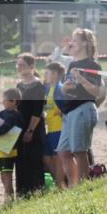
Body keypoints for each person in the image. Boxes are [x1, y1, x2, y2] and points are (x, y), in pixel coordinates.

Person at [57, 28, 102, 187]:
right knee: (63, 151)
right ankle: (74, 185)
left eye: (75, 40)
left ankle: (83, 186)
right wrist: (65, 88)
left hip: (83, 109)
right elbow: (66, 88)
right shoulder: (73, 64)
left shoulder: (93, 65)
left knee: (79, 150)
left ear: (84, 43)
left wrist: (81, 79)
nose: (72, 43)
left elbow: (95, 92)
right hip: (69, 111)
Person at [13, 53, 47, 197]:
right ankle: (22, 193)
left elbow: (37, 111)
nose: (19, 67)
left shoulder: (38, 85)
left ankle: (36, 192)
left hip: (33, 128)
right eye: (18, 64)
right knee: (21, 161)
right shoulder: (19, 85)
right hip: (20, 128)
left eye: (22, 65)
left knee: (34, 160)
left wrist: (30, 130)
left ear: (31, 66)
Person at [42, 61, 66, 189]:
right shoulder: (49, 89)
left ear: (55, 74)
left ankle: (60, 186)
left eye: (47, 73)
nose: (45, 75)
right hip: (51, 129)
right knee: (46, 157)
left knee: (57, 159)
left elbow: (67, 107)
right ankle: (59, 184)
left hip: (59, 129)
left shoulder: (60, 89)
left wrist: (61, 111)